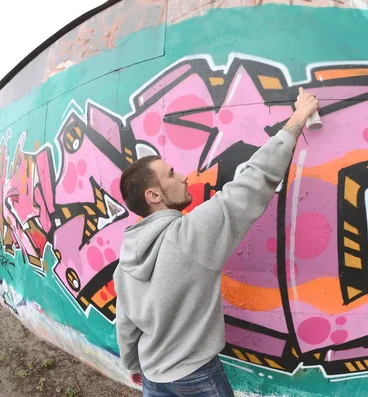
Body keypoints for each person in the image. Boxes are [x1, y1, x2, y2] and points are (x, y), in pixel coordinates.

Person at [114, 88, 319, 396]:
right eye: (171, 174)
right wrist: (298, 117)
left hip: (153, 376)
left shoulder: (125, 260)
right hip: (196, 378)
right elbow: (253, 180)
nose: (183, 176)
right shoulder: (189, 237)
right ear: (154, 196)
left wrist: (131, 364)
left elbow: (126, 324)